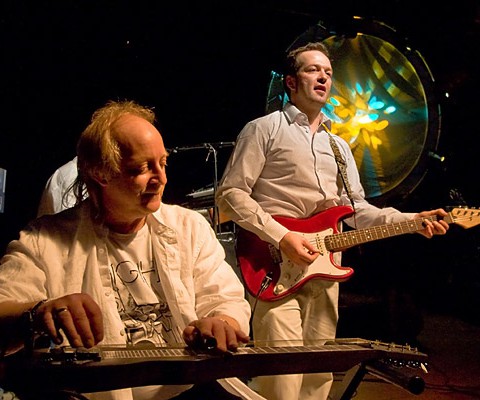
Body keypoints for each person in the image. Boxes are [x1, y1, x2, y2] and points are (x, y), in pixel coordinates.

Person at [215, 41, 450, 400]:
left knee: (318, 377)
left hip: (326, 268)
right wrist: (283, 237)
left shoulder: (338, 147)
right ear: (291, 82)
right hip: (275, 266)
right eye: (313, 69)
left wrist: (412, 219)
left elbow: (357, 211)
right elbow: (230, 195)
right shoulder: (263, 129)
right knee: (280, 378)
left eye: (327, 72)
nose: (323, 76)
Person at [0, 100, 265, 400]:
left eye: (163, 163)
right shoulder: (44, 239)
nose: (161, 178)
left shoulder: (189, 227)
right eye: (141, 168)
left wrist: (222, 323)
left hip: (190, 392)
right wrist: (34, 314)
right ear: (101, 173)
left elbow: (226, 300)